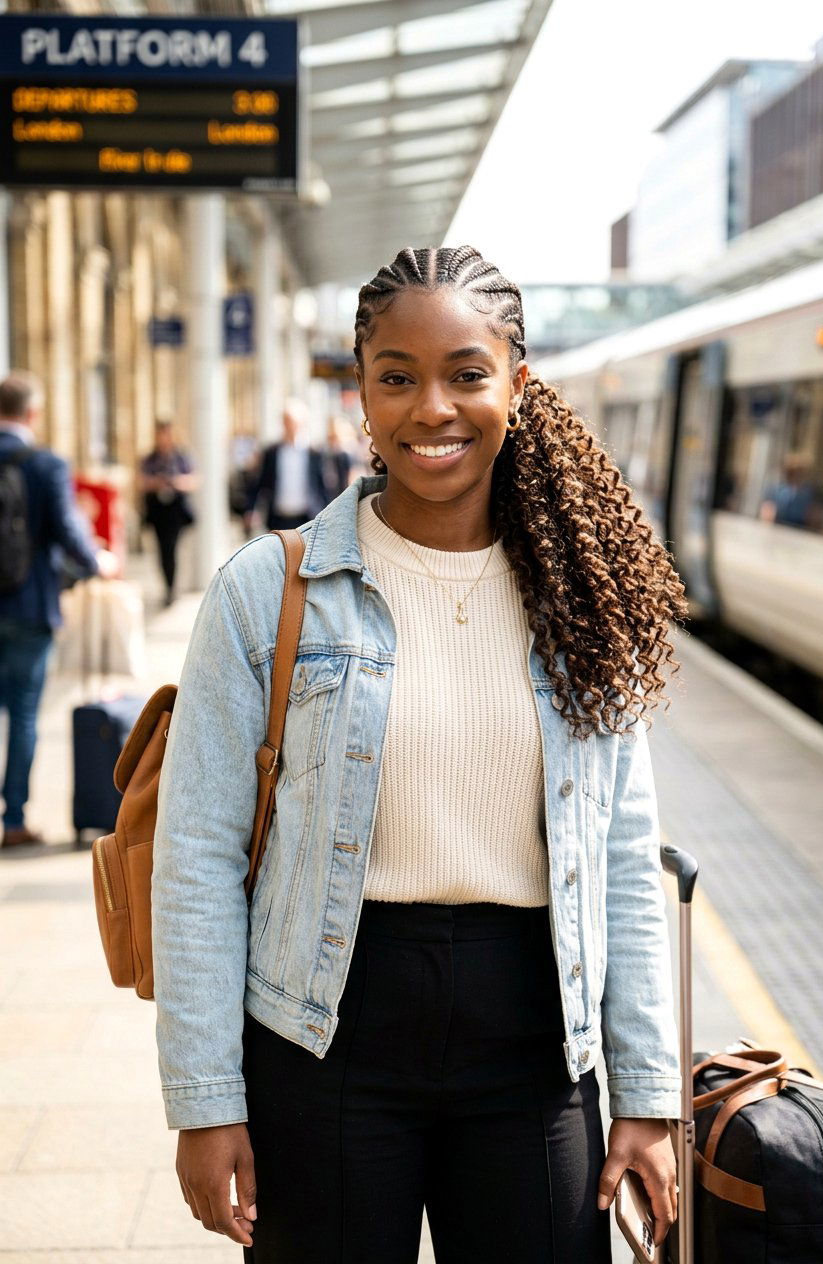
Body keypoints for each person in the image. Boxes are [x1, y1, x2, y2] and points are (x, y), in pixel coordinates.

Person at [152, 246, 686, 1263]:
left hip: (535, 1042)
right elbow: (198, 856)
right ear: (360, 390)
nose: (429, 406)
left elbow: (623, 853)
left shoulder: (578, 597)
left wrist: (647, 1091)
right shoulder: (267, 589)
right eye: (395, 375)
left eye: (465, 373)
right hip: (324, 1036)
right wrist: (204, 1097)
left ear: (516, 386)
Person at [0, 370, 117, 848]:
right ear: (33, 413)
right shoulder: (45, 465)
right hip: (30, 606)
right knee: (25, 714)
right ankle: (14, 820)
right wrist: (99, 563)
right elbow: (70, 532)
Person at [139, 421, 197, 607]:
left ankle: (173, 586)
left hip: (176, 510)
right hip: (158, 511)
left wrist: (177, 482)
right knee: (162, 550)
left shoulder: (181, 457)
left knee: (173, 548)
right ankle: (168, 585)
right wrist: (157, 483)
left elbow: (194, 479)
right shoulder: (150, 459)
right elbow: (141, 482)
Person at [243, 402, 326, 532]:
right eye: (287, 422)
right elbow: (260, 483)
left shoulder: (314, 453)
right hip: (277, 519)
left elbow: (322, 486)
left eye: (294, 423)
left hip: (308, 518)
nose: (291, 427)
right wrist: (250, 510)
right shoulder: (271, 452)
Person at [318, 414, 355, 506]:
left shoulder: (346, 456)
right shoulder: (325, 455)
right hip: (328, 501)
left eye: (335, 437)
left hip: (343, 500)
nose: (333, 442)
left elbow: (351, 480)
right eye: (330, 438)